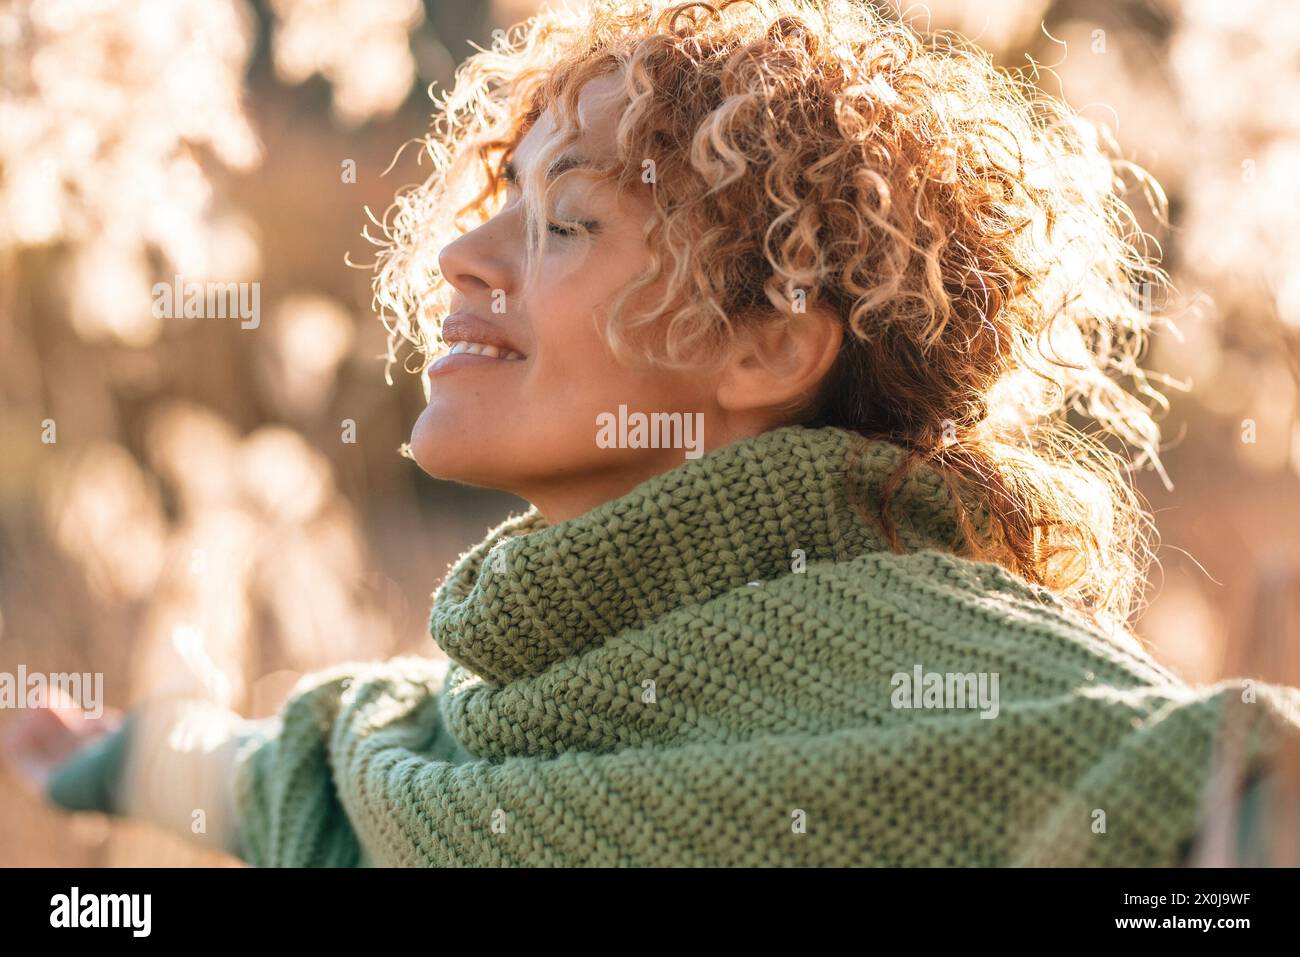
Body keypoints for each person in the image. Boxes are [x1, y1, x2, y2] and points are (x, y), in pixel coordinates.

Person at [5, 0, 1298, 866]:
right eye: (495, 203)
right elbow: (293, 786)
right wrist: (94, 757)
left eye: (564, 221)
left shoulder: (959, 666)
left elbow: (1208, 775)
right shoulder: (452, 740)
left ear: (769, 344)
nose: (458, 256)